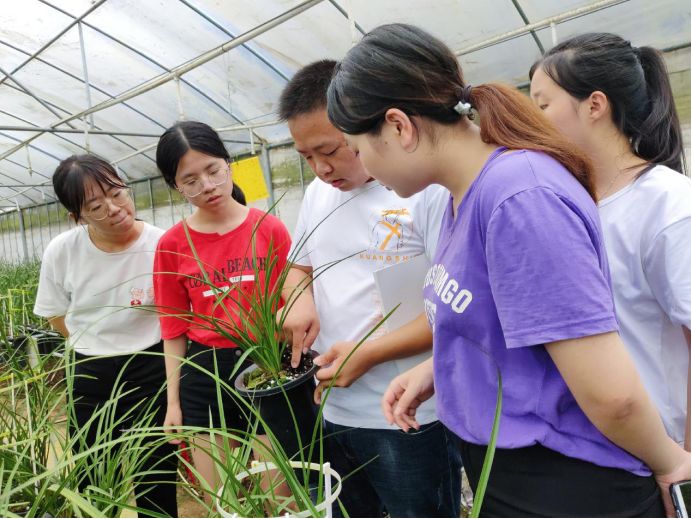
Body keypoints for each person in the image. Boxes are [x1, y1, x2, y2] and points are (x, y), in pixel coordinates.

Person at [327, 23, 691, 517]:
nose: (362, 164)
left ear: (398, 126)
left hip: (566, 482)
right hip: (515, 469)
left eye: (356, 147)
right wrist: (445, 367)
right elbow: (509, 326)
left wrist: (672, 464)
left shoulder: (520, 197)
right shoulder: (466, 196)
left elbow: (612, 395)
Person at [278, 59, 461, 518]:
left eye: (333, 149)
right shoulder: (320, 194)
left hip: (410, 413)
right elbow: (297, 267)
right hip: (332, 406)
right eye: (306, 157)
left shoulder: (426, 191)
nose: (321, 168)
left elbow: (454, 313)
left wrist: (368, 353)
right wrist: (298, 302)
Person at [529, 32, 691, 451]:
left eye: (542, 104)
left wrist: (685, 466)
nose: (533, 119)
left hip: (653, 448)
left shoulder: (669, 205)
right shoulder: (564, 201)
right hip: (583, 448)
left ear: (595, 105)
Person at [153, 121, 291, 503]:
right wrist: (174, 402)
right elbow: (174, 328)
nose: (207, 186)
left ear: (229, 164)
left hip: (266, 364)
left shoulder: (269, 228)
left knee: (278, 497)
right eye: (190, 180)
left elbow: (291, 305)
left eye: (213, 170)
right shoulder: (172, 244)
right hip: (206, 374)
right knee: (223, 500)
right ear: (176, 186)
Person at [34, 154, 178, 517]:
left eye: (117, 193)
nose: (114, 208)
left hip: (151, 365)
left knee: (156, 469)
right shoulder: (62, 251)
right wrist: (92, 343)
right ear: (77, 217)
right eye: (96, 206)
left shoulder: (162, 244)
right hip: (89, 371)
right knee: (93, 471)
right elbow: (54, 312)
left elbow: (175, 315)